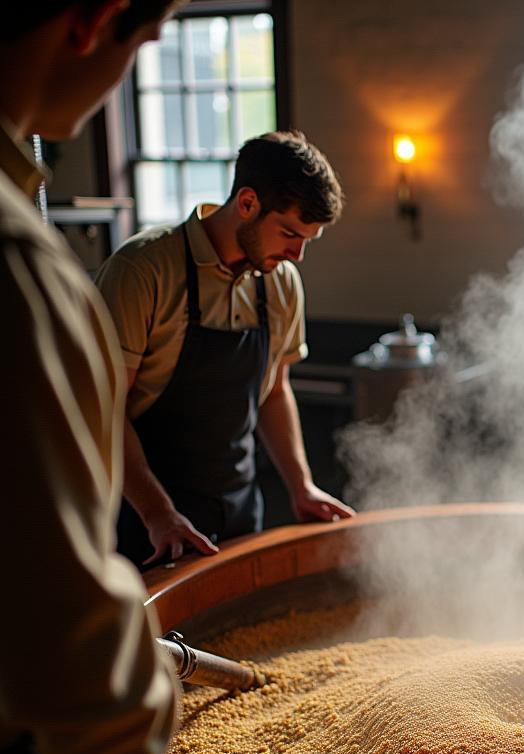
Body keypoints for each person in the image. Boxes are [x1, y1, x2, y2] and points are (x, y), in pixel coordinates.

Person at [0, 1, 212, 754]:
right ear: (87, 23)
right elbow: (70, 662)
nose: (151, 53)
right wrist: (144, 673)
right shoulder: (25, 268)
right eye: (147, 31)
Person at [96, 130, 354, 568]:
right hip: (144, 520)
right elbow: (104, 410)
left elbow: (274, 392)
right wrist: (158, 514)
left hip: (238, 514)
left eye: (309, 240)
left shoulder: (281, 280)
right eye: (290, 233)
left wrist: (301, 486)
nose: (298, 255)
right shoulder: (142, 271)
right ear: (248, 203)